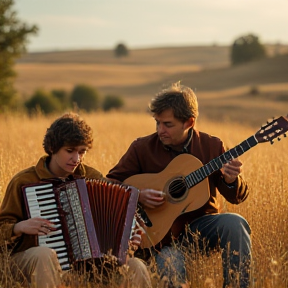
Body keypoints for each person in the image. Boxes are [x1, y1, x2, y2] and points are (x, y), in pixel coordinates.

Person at [106, 82, 252, 288]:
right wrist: (136, 195)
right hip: (161, 240)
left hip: (200, 229)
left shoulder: (211, 146)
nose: (160, 130)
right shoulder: (141, 148)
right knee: (169, 263)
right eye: (157, 123)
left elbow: (237, 197)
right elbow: (109, 183)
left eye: (167, 124)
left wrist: (231, 180)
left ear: (189, 122)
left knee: (235, 223)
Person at [0, 112, 152, 288]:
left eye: (82, 152)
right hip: (29, 259)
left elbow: (121, 217)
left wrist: (131, 235)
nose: (76, 159)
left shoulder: (92, 177)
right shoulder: (24, 181)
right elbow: (2, 226)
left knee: (136, 266)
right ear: (52, 148)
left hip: (89, 265)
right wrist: (19, 227)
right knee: (44, 255)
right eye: (70, 151)